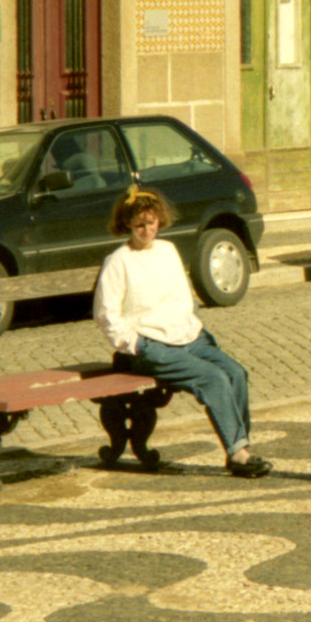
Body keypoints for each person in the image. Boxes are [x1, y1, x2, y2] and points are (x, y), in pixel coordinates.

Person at [94, 186, 272, 478]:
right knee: (213, 378)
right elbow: (106, 315)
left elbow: (183, 294)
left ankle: (241, 447)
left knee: (235, 373)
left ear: (159, 219)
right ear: (127, 223)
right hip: (150, 347)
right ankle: (238, 453)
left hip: (189, 337)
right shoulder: (118, 261)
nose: (147, 230)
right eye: (139, 225)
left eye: (151, 223)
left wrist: (191, 324)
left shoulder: (167, 250)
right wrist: (136, 344)